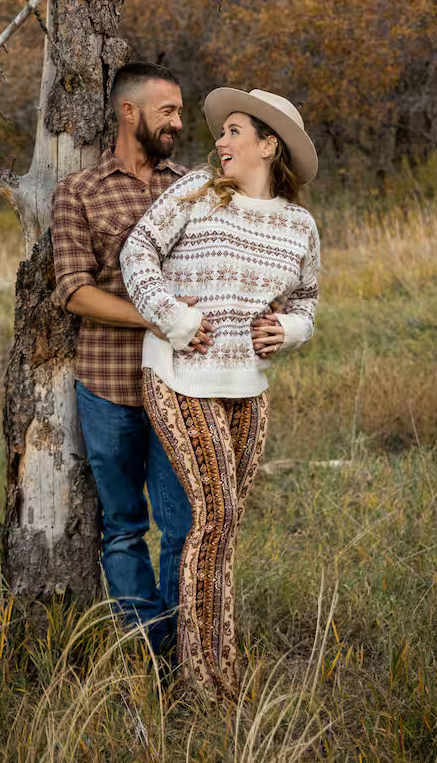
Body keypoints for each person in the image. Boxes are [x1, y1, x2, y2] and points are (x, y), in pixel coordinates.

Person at [120, 87, 320, 699]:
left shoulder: (299, 226)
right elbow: (139, 251)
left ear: (268, 145)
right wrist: (171, 319)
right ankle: (206, 680)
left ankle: (206, 664)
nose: (221, 142)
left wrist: (287, 329)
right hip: (179, 376)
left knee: (225, 526)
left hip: (247, 388)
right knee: (216, 515)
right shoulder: (197, 193)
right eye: (222, 131)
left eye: (236, 131)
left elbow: (308, 301)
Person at [50, 61, 214, 660]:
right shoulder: (81, 192)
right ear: (129, 112)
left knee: (181, 527)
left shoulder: (194, 187)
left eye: (179, 111)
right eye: (166, 111)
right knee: (123, 529)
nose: (177, 122)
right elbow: (72, 289)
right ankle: (147, 653)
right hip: (111, 385)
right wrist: (158, 316)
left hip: (181, 383)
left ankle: (179, 657)